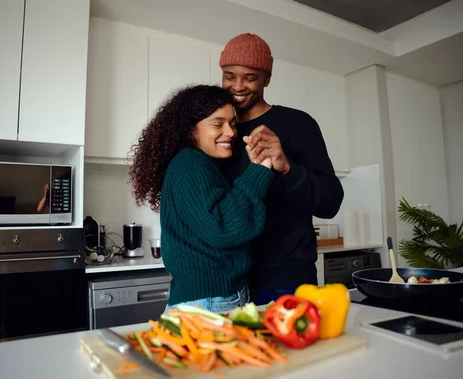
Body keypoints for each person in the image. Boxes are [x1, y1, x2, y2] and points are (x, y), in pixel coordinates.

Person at [218, 33, 345, 305]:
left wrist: (287, 167)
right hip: (227, 281)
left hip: (285, 279)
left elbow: (330, 201)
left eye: (250, 77)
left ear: (267, 79)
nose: (237, 86)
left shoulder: (298, 124)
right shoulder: (219, 132)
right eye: (229, 76)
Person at [128, 84, 274, 313]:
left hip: (207, 299)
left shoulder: (196, 164)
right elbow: (223, 227)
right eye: (218, 124)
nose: (230, 132)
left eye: (232, 124)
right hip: (211, 301)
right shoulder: (190, 163)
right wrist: (261, 170)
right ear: (190, 130)